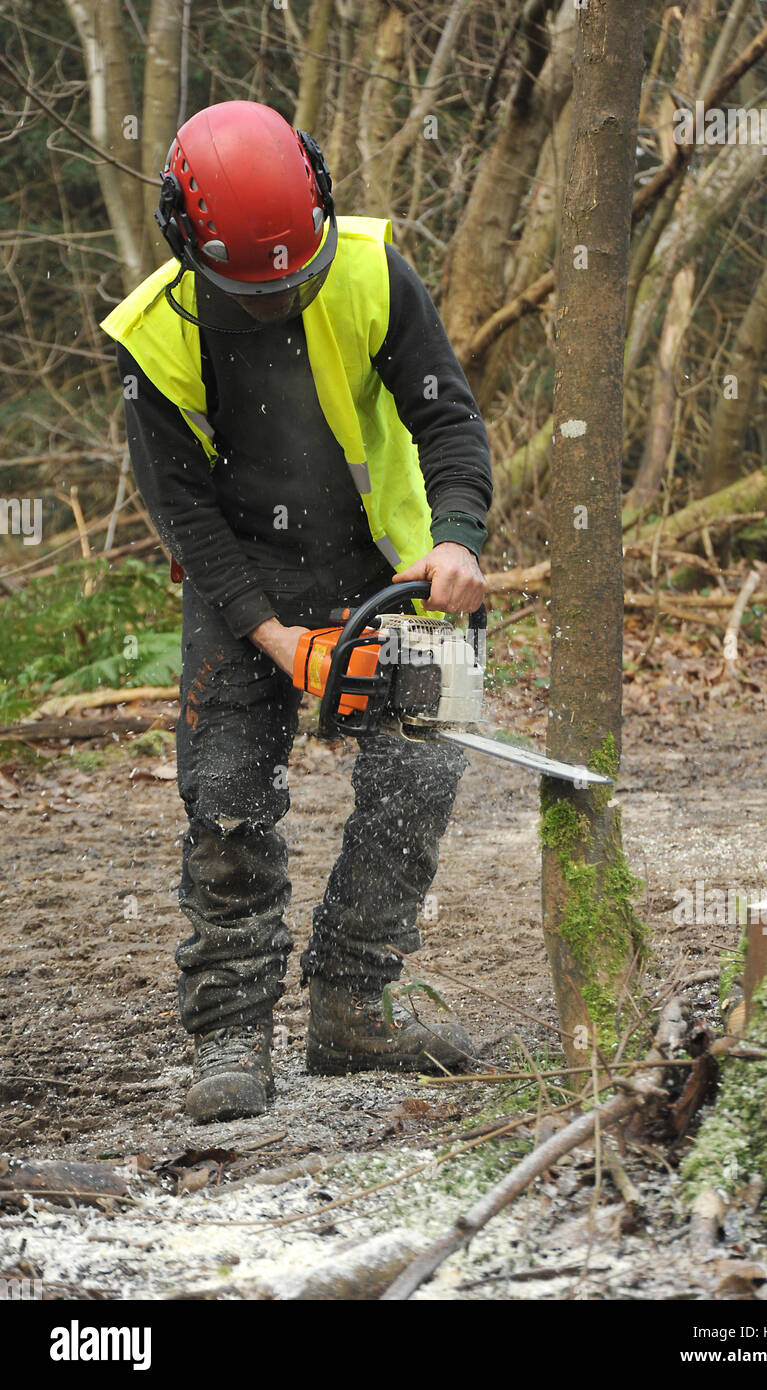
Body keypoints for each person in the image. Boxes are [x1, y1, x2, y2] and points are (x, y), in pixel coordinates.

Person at [101, 100, 492, 1123]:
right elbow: (180, 511)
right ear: (188, 242)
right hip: (243, 587)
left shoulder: (369, 268)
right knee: (226, 802)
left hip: (387, 560)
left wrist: (456, 538)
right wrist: (278, 640)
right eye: (253, 286)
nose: (276, 299)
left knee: (424, 770)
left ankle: (353, 1002)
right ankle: (230, 1027)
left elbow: (444, 412)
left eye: (290, 277)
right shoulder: (152, 337)